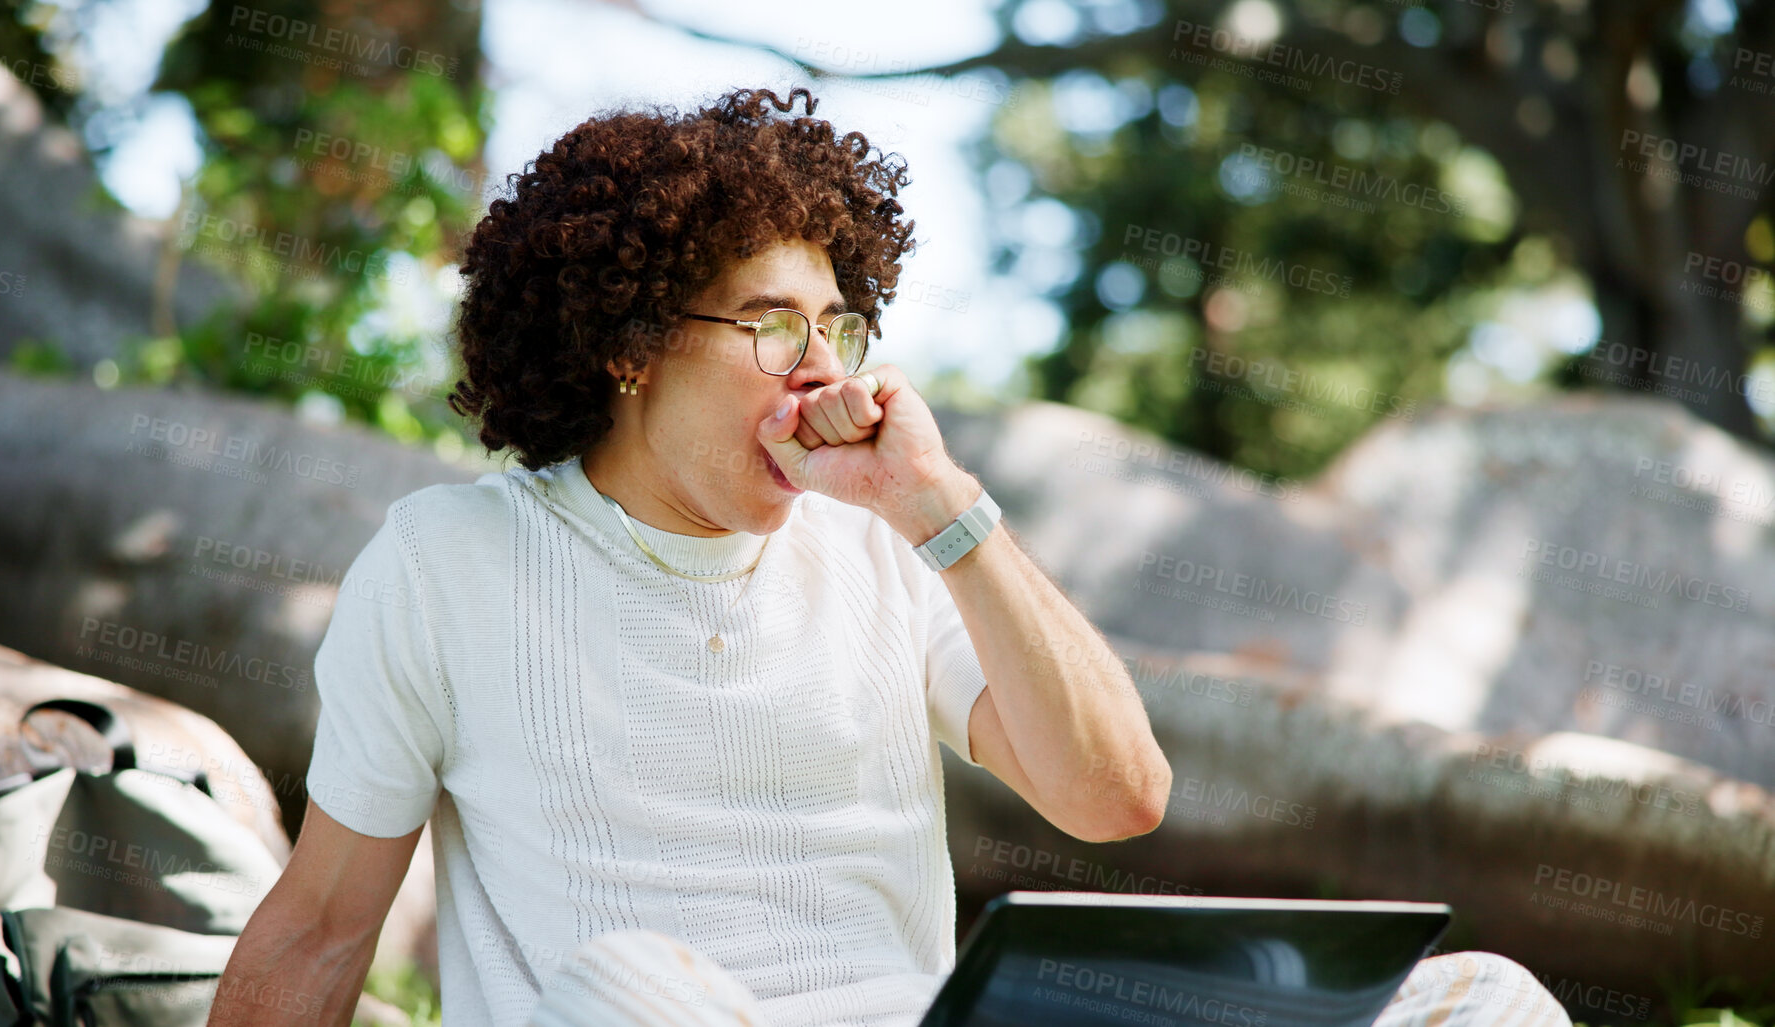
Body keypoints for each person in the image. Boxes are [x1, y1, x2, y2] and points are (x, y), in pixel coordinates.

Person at [205, 86, 1571, 1027]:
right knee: (639, 988)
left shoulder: (880, 557)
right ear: (627, 346)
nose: (822, 372)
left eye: (840, 327)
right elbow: (324, 925)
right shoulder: (447, 563)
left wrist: (941, 509)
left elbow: (1117, 796)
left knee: (1487, 1000)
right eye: (769, 325)